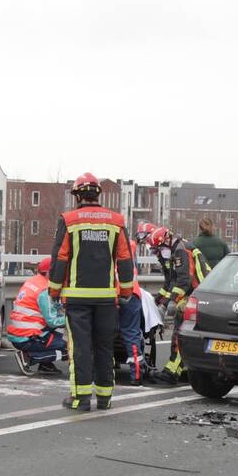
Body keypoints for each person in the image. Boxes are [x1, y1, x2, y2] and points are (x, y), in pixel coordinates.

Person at [49, 172, 134, 411]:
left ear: (77, 196)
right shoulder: (116, 221)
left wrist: (54, 291)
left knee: (80, 348)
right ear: (98, 194)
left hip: (77, 298)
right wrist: (126, 291)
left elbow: (60, 258)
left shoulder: (69, 219)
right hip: (107, 299)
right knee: (105, 347)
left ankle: (81, 398)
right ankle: (105, 398)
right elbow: (125, 259)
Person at [149, 226, 211, 384]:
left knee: (180, 326)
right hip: (195, 292)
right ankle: (184, 370)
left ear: (167, 241)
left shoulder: (181, 251)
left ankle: (171, 373)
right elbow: (170, 282)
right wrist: (158, 301)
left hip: (199, 292)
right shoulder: (171, 252)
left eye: (159, 249)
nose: (158, 253)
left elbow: (184, 280)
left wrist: (172, 302)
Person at [8, 256, 66, 375]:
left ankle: (45, 365)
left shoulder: (33, 281)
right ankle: (30, 357)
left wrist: (60, 308)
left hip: (19, 332)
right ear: (50, 273)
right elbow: (52, 321)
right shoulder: (45, 290)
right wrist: (72, 317)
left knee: (60, 329)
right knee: (69, 348)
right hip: (28, 337)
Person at [118, 240, 148, 385]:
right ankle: (136, 374)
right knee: (131, 334)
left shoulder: (105, 246)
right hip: (132, 294)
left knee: (102, 335)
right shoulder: (130, 247)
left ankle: (102, 372)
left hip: (111, 296)